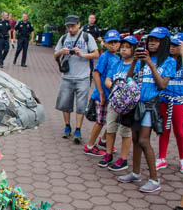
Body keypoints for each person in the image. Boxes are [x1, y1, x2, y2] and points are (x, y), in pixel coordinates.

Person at [118, 27, 176, 193]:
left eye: (156, 40)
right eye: (151, 40)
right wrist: (136, 61)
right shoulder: (141, 60)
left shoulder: (169, 62)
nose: (152, 43)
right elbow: (128, 77)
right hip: (136, 103)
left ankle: (154, 179)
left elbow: (162, 84)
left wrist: (150, 63)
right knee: (135, 139)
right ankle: (136, 173)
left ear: (163, 42)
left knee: (144, 140)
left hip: (151, 105)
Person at [54, 15, 99, 143]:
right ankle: (67, 126)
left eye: (73, 26)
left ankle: (78, 129)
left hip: (83, 77)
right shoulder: (63, 38)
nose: (70, 29)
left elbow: (96, 54)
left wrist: (82, 54)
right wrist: (61, 52)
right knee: (65, 104)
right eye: (68, 26)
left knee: (81, 105)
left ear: (79, 24)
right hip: (67, 77)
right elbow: (55, 55)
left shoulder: (87, 37)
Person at [101, 36, 138, 171]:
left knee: (125, 131)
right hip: (114, 101)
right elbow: (107, 80)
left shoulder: (137, 64)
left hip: (128, 105)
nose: (124, 49)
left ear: (134, 49)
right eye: (122, 46)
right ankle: (108, 154)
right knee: (110, 128)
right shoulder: (117, 63)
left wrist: (125, 92)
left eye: (128, 47)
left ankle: (123, 158)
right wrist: (116, 89)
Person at [84, 30, 121, 157]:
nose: (113, 45)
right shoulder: (104, 56)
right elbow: (96, 73)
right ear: (104, 43)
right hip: (102, 96)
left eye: (115, 42)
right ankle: (89, 146)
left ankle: (103, 140)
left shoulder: (117, 57)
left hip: (112, 95)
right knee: (100, 121)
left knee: (113, 121)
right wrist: (100, 92)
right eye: (110, 42)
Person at [157, 33, 183, 174]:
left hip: (179, 100)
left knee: (180, 131)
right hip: (164, 99)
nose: (172, 47)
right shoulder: (166, 60)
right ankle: (162, 157)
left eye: (177, 45)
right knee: (164, 130)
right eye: (172, 44)